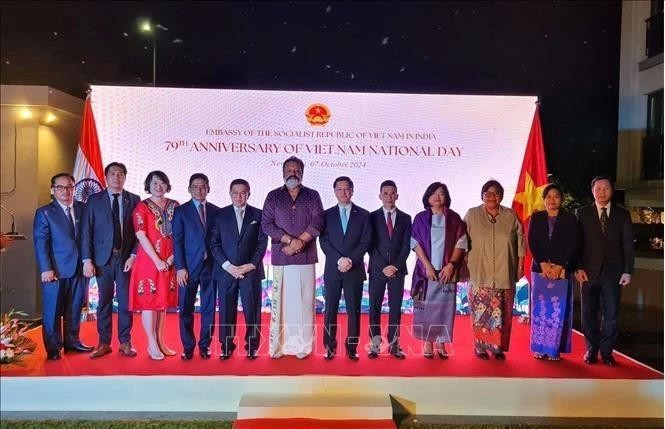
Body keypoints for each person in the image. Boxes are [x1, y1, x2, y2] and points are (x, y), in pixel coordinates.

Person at [261, 156, 325, 359]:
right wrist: (290, 241)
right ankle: (279, 347)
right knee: (282, 303)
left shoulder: (312, 195)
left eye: (297, 170)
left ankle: (302, 347)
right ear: (283, 173)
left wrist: (300, 243)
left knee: (304, 302)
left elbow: (318, 222)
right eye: (289, 170)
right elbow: (267, 224)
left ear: (302, 173)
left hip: (306, 258)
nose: (293, 173)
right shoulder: (273, 197)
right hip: (282, 256)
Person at [82, 162, 140, 359]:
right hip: (102, 260)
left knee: (125, 303)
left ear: (125, 177)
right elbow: (86, 231)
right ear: (106, 177)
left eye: (121, 174)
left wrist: (134, 255)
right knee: (104, 302)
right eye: (113, 174)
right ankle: (104, 342)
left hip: (125, 259)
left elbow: (140, 232)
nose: (117, 177)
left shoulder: (134, 199)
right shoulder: (94, 200)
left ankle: (125, 342)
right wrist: (87, 260)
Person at [575, 175, 634, 366]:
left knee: (612, 314)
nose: (602, 192)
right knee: (588, 313)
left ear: (612, 191)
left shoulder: (622, 215)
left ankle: (607, 352)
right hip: (588, 272)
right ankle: (591, 350)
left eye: (606, 189)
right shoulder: (581, 213)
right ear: (592, 191)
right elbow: (577, 245)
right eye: (598, 189)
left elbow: (627, 246)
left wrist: (628, 271)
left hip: (614, 273)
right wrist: (578, 268)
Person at [33, 173, 93, 360]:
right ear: (53, 190)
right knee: (52, 310)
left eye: (69, 187)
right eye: (60, 187)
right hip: (55, 270)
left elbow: (88, 238)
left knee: (74, 308)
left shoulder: (84, 209)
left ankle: (72, 343)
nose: (65, 191)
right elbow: (41, 242)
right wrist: (46, 268)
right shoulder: (45, 212)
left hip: (79, 268)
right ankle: (53, 348)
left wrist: (87, 261)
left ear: (74, 188)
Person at [464, 180, 525, 360]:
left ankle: (497, 347)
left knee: (503, 314)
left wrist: (520, 266)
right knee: (481, 313)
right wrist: (463, 265)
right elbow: (461, 242)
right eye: (488, 193)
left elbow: (521, 242)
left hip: (505, 272)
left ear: (501, 196)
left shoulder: (511, 216)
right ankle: (480, 347)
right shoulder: (472, 214)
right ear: (482, 195)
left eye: (496, 193)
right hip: (479, 273)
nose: (492, 196)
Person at [209, 179, 268, 360]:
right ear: (230, 193)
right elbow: (214, 243)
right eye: (235, 192)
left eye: (243, 193)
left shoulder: (258, 215)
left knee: (253, 311)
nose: (239, 196)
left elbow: (262, 242)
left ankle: (252, 346)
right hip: (227, 271)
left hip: (250, 270)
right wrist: (228, 266)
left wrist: (252, 264)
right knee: (226, 311)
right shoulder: (220, 215)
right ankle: (226, 346)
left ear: (249, 194)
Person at [411, 182, 468, 360]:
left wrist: (451, 264)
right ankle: (428, 342)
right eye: (434, 193)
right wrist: (427, 265)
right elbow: (415, 243)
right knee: (426, 309)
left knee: (445, 308)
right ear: (427, 196)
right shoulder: (420, 218)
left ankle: (441, 343)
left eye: (441, 193)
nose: (437, 197)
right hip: (425, 271)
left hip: (446, 271)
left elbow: (461, 242)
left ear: (446, 197)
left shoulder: (454, 218)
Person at [128, 171, 179, 360]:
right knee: (150, 302)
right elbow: (141, 235)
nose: (159, 187)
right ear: (148, 185)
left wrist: (172, 258)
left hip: (170, 259)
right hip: (149, 261)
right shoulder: (142, 207)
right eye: (155, 183)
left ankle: (161, 341)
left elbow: (180, 234)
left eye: (162, 183)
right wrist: (157, 260)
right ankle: (151, 343)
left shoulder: (175, 205)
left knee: (162, 303)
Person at [320, 176, 371, 361]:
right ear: (334, 192)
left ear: (352, 191)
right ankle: (329, 347)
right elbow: (323, 241)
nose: (343, 192)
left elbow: (366, 241)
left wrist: (350, 260)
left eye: (347, 189)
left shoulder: (364, 215)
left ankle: (352, 348)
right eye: (340, 189)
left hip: (354, 269)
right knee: (330, 309)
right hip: (333, 269)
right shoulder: (326, 215)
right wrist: (339, 259)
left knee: (354, 310)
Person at [172, 173, 220, 360]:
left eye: (203, 186)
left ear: (208, 188)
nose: (199, 190)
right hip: (188, 269)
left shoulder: (217, 211)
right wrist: (180, 268)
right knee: (185, 309)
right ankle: (188, 346)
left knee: (209, 308)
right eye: (195, 186)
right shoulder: (181, 211)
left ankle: (205, 345)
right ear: (189, 189)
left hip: (211, 267)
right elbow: (177, 241)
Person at [527, 184, 577, 361]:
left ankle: (554, 350)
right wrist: (542, 264)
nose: (552, 200)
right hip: (540, 270)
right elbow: (532, 241)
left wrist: (559, 266)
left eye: (556, 196)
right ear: (544, 199)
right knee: (540, 310)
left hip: (561, 271)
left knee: (557, 311)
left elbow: (573, 244)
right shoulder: (537, 217)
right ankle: (540, 348)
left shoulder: (570, 219)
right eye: (548, 196)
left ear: (561, 199)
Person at [367, 180, 412, 360]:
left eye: (392, 193)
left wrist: (395, 265)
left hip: (397, 270)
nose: (389, 196)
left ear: (397, 196)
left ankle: (394, 346)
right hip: (377, 270)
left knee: (395, 309)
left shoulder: (406, 218)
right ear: (380, 196)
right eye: (385, 193)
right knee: (374, 308)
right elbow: (369, 244)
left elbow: (406, 246)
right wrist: (382, 266)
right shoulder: (371, 217)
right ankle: (375, 345)